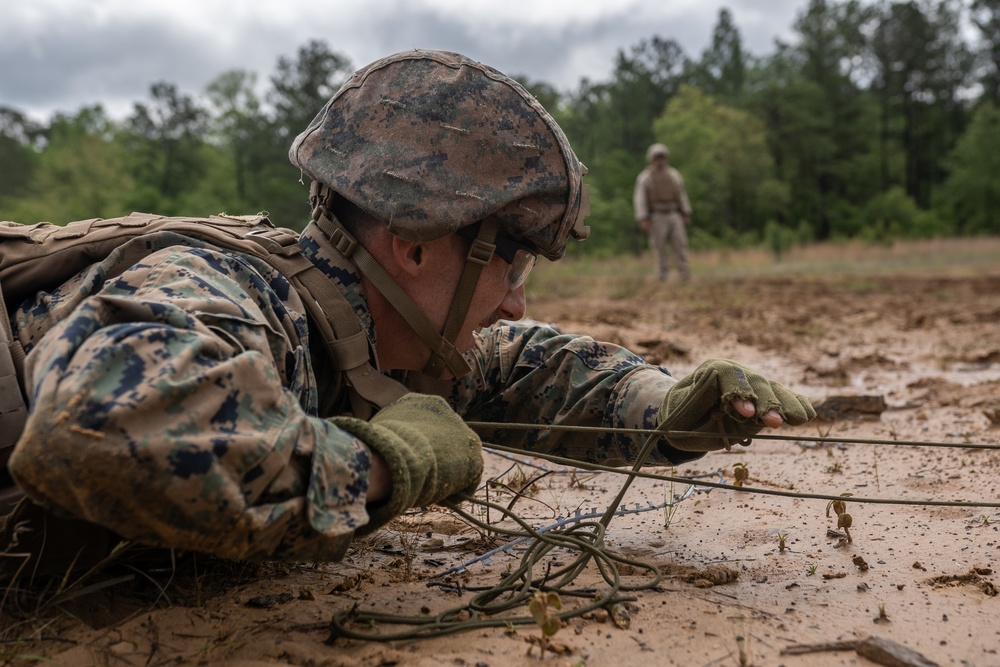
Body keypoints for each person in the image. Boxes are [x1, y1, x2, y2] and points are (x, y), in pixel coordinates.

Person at [1, 50, 814, 574]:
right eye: (512, 261)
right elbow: (101, 426)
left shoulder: (366, 336)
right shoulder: (226, 292)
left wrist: (666, 409)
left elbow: (527, 367)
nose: (519, 298)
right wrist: (385, 465)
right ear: (415, 246)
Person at [633, 143, 693, 282]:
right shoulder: (645, 177)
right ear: (651, 159)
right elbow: (640, 199)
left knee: (680, 244)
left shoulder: (674, 175)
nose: (660, 160)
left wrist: (685, 212)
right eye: (657, 157)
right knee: (658, 247)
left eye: (662, 157)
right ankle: (662, 275)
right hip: (657, 215)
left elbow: (681, 195)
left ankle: (684, 274)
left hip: (673, 213)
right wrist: (643, 217)